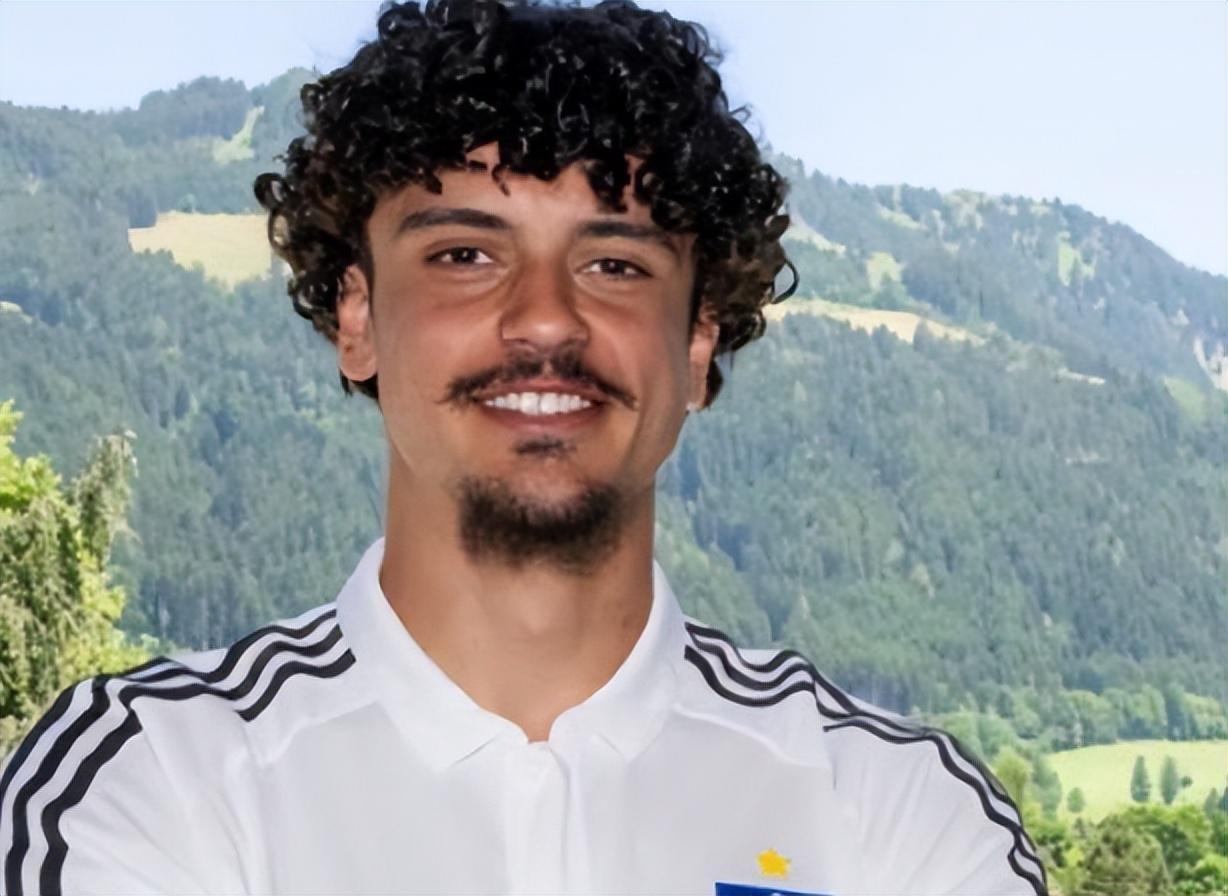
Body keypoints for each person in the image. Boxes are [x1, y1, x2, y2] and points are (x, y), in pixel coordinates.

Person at [0, 1, 1047, 893]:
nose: (545, 317)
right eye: (465, 255)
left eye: (615, 265)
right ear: (358, 319)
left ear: (696, 343)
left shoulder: (899, 811)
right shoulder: (152, 777)